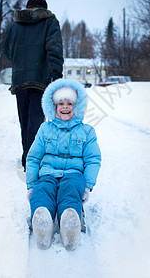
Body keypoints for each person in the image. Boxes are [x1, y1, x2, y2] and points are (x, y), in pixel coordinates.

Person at [26, 78, 101, 250]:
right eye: (61, 103)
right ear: (53, 107)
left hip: (74, 174)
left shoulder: (87, 131)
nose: (65, 107)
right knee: (42, 190)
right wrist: (31, 184)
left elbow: (93, 159)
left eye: (70, 103)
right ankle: (42, 220)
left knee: (70, 192)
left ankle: (70, 224)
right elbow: (34, 157)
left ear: (78, 106)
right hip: (47, 173)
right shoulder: (45, 129)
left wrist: (88, 185)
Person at [2, 0, 63, 170]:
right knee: (36, 121)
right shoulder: (49, 21)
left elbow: (6, 50)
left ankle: (27, 156)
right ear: (43, 7)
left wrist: (19, 63)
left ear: (28, 7)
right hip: (40, 79)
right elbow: (55, 49)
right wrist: (55, 73)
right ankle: (31, 160)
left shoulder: (15, 25)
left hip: (19, 80)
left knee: (25, 121)